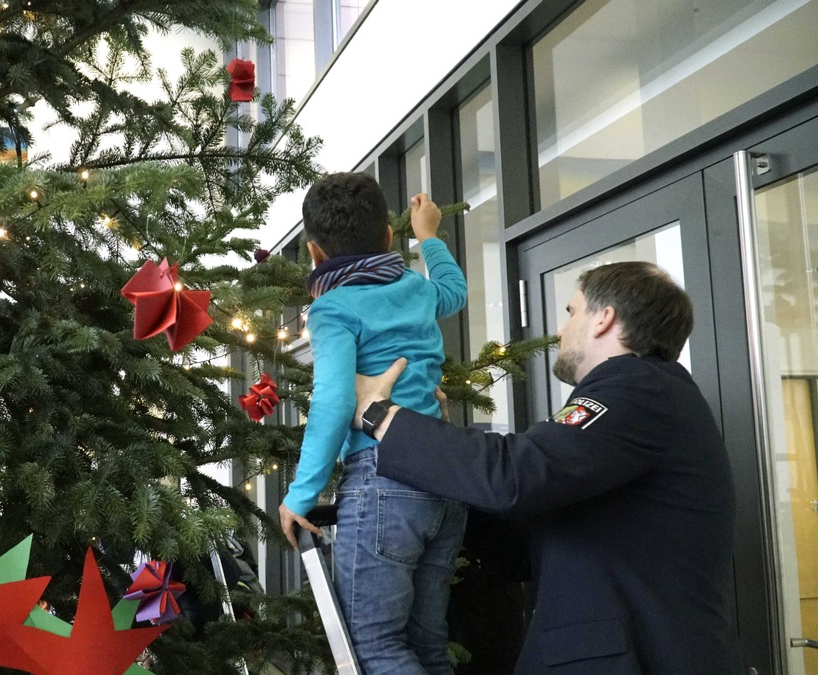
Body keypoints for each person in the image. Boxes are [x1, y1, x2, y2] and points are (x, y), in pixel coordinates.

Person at [353, 261, 744, 674]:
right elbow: (527, 548)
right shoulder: (648, 396)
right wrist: (441, 468)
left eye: (571, 312)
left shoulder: (639, 389)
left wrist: (379, 415)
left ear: (604, 319)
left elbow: (513, 474)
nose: (561, 331)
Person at [277, 171, 468, 674]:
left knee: (376, 647)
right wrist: (428, 237)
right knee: (428, 645)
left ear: (315, 254)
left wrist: (300, 495)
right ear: (388, 237)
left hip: (384, 483)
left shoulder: (333, 307)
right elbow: (453, 290)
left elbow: (337, 402)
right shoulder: (415, 289)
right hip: (443, 479)